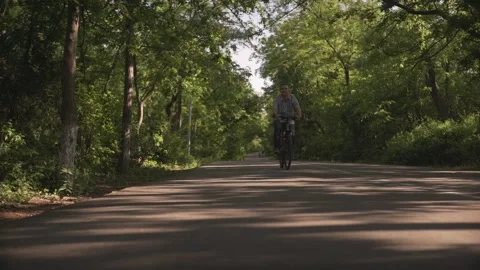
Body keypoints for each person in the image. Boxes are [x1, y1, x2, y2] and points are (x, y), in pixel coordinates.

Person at [273, 85, 302, 153]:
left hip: (290, 117)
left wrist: (299, 115)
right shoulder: (277, 99)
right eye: (282, 89)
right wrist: (276, 114)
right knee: (277, 130)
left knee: (293, 132)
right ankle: (277, 147)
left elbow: (297, 107)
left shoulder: (293, 98)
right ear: (280, 91)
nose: (284, 90)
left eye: (286, 88)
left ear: (289, 90)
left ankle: (291, 147)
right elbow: (275, 107)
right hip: (280, 117)